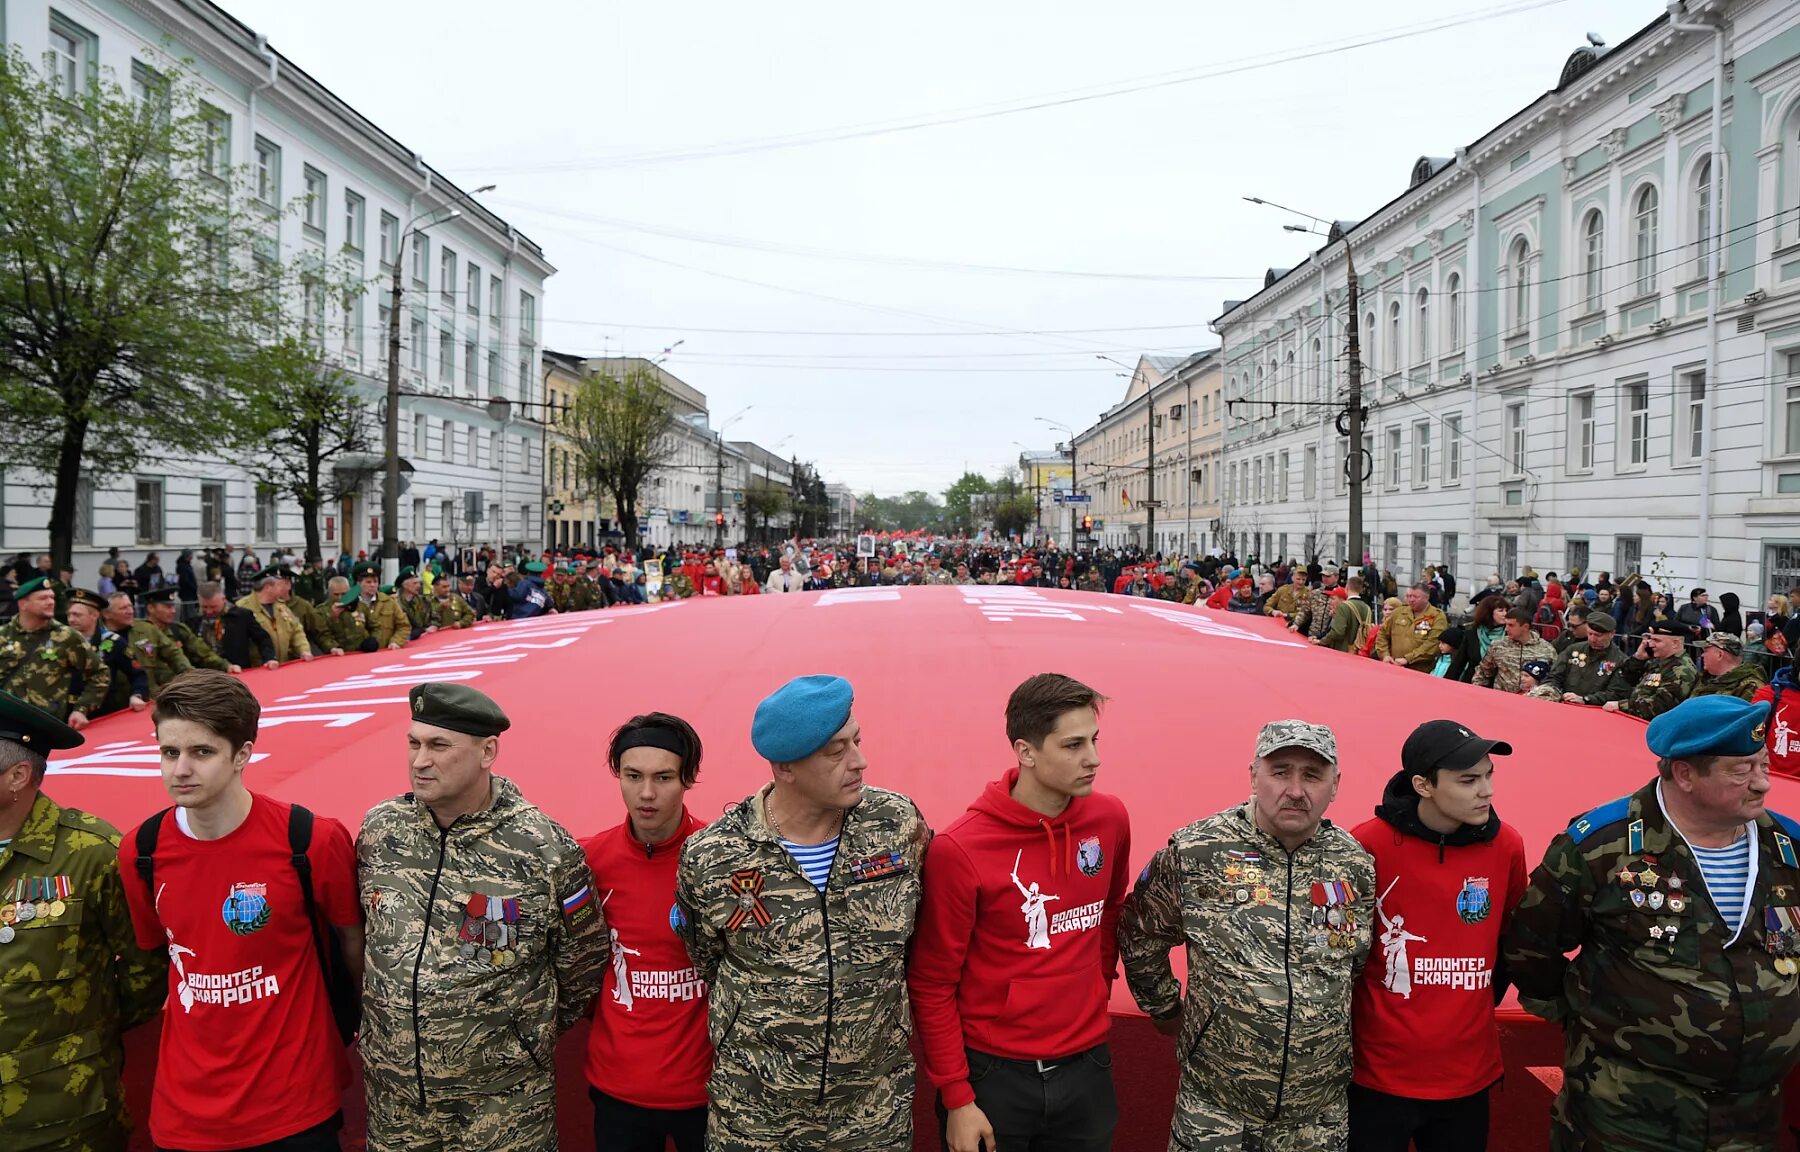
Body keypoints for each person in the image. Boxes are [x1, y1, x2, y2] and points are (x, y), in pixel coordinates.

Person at [1505, 695, 1800, 1150]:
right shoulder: (1602, 847)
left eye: (1764, 765)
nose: (1762, 784)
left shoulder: (1788, 847)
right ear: (1684, 773)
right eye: (1742, 771)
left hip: (1752, 1117)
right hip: (1629, 1115)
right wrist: (1587, 1020)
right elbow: (1531, 946)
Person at [675, 674, 930, 1152]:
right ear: (785, 768)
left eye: (856, 740)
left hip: (873, 1112)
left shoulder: (896, 825)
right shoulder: (714, 857)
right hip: (757, 1116)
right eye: (836, 751)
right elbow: (707, 958)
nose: (859, 761)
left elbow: (919, 942)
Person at [118, 669, 363, 1152]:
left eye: (201, 752)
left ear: (243, 755)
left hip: (296, 1108)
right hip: (185, 1113)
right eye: (169, 752)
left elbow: (352, 946)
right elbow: (160, 955)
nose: (180, 769)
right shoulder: (140, 852)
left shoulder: (310, 840)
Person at [358, 682, 605, 1151]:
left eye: (438, 745)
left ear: (487, 751)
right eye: (413, 743)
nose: (419, 761)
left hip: (502, 1106)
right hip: (396, 1101)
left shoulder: (541, 847)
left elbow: (583, 962)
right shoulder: (381, 830)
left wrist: (517, 1038)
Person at [1118, 720, 1374, 1151]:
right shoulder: (1198, 850)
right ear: (1253, 775)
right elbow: (1140, 932)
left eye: (1312, 775)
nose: (1296, 789)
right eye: (1280, 772)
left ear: (1336, 785)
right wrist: (1163, 1008)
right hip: (1217, 1107)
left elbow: (1355, 962)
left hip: (1317, 1115)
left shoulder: (1353, 864)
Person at [908, 674, 1130, 1152]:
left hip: (1088, 1068)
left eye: (1094, 740)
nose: (1093, 758)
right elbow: (931, 980)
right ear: (1026, 752)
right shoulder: (959, 849)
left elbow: (1110, 911)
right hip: (993, 1078)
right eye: (1072, 745)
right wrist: (958, 1097)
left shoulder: (1110, 819)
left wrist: (1095, 986)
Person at [0, 689, 168, 1152]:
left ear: (18, 775)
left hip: (59, 1116)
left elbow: (146, 971)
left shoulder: (91, 853)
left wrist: (79, 1037)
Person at [1348, 721, 1528, 1152]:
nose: (1486, 791)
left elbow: (1512, 938)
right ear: (1422, 785)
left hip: (1467, 1075)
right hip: (1377, 1076)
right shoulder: (1366, 845)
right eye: (1468, 780)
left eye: (1489, 776)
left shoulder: (1506, 846)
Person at [582, 713, 712, 1152]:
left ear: (688, 779)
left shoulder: (720, 859)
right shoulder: (589, 861)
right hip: (619, 1094)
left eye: (664, 777)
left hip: (712, 1094)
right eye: (633, 776)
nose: (647, 793)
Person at [0, 577, 107, 727]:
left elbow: (100, 673)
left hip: (45, 727)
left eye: (52, 597)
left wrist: (81, 709)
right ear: (23, 604)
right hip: (5, 725)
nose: (51, 602)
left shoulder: (66, 636)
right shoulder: (3, 636)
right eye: (43, 598)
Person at [66, 588, 147, 717]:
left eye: (77, 615)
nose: (71, 619)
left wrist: (136, 695)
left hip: (101, 712)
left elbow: (138, 674)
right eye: (69, 614)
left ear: (94, 615)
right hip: (65, 712)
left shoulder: (113, 642)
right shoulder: (61, 642)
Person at [1597, 620, 1698, 720]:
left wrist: (1621, 706)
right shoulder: (1657, 661)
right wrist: (1638, 658)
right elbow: (1627, 679)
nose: (1650, 644)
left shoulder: (1681, 669)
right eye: (1651, 639)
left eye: (1657, 640)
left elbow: (1661, 706)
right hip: (1635, 719)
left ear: (1675, 644)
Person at [1547, 611, 1629, 706]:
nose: (1593, 639)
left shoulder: (1620, 660)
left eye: (1598, 635)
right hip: (1565, 703)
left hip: (1593, 709)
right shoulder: (1574, 650)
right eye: (1590, 634)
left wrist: (1586, 699)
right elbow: (1554, 676)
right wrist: (1554, 691)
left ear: (1612, 634)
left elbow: (1616, 693)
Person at [1473, 607, 1556, 694]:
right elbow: (1482, 673)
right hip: (1501, 699)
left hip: (1531, 701)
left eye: (1511, 625)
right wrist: (1477, 694)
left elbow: (1554, 678)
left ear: (1525, 627)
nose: (1506, 629)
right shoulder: (1498, 646)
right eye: (1506, 625)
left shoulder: (1546, 649)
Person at [195, 581, 276, 671]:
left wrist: (269, 658)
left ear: (223, 599)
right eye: (204, 607)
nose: (209, 611)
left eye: (213, 607)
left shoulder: (242, 616)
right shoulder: (194, 621)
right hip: (205, 675)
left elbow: (263, 638)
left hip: (237, 672)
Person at [236, 573, 312, 664]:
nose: (282, 588)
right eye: (279, 585)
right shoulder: (243, 607)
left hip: (282, 665)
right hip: (257, 668)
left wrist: (303, 650)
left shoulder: (281, 606)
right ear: (268, 587)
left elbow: (296, 630)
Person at [1374, 583, 1449, 672]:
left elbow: (1433, 643)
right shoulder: (1399, 612)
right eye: (1409, 596)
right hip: (1393, 666)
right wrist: (1385, 654)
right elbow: (1382, 634)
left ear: (1426, 597)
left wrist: (1408, 659)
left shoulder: (1437, 616)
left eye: (1416, 597)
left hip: (1420, 669)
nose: (1411, 599)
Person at [1691, 632, 1767, 701]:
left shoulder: (1750, 687)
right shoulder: (1706, 678)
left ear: (1719, 655)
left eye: (1706, 651)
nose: (1702, 655)